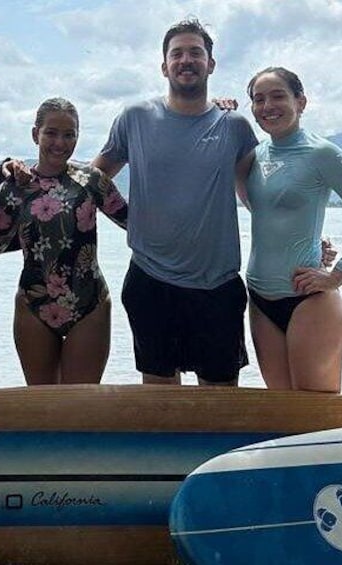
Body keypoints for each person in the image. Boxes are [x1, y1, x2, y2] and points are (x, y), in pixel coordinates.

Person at [91, 18, 258, 387]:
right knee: (161, 405)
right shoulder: (135, 118)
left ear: (210, 64)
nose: (187, 60)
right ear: (164, 65)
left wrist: (309, 246)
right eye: (177, 53)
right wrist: (129, 218)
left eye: (196, 53)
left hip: (218, 286)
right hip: (151, 280)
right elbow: (93, 180)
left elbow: (257, 200)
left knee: (220, 403)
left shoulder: (235, 126)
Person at [242, 66, 342, 392]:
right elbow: (268, 211)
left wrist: (338, 275)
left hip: (309, 301)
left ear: (301, 101)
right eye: (259, 99)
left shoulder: (322, 153)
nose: (268, 106)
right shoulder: (255, 156)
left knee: (314, 413)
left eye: (278, 96)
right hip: (260, 300)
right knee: (282, 414)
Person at [0, 97, 128, 385]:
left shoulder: (91, 180)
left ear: (77, 137)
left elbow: (134, 223)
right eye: (51, 133)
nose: (59, 142)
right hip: (33, 304)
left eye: (69, 134)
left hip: (89, 303)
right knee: (41, 406)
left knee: (81, 406)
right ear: (36, 134)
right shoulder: (16, 186)